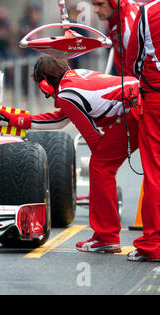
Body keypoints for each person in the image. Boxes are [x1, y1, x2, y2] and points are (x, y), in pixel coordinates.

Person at [0, 55, 140, 253]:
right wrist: (13, 119)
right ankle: (107, 235)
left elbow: (93, 139)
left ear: (45, 84)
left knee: (100, 167)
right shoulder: (75, 77)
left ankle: (106, 237)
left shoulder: (67, 94)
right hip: (140, 100)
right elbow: (59, 120)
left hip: (135, 110)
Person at [125, 0, 160, 262]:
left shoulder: (148, 12)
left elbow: (135, 64)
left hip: (156, 100)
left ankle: (154, 244)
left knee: (154, 173)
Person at [90, 0, 141, 75]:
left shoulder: (128, 27)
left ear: (114, 3)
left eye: (100, 4)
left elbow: (139, 66)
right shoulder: (120, 13)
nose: (95, 10)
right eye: (94, 5)